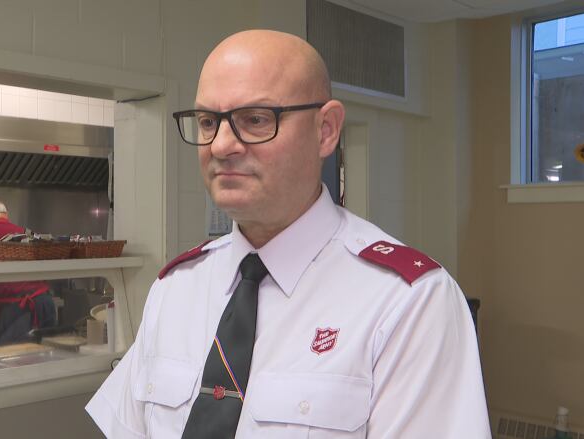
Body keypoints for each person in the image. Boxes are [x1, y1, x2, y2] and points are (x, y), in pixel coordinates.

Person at [86, 30, 491, 438]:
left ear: (326, 130)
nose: (222, 145)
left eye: (256, 119)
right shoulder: (176, 289)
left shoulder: (407, 303)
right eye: (209, 121)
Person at [0, 199, 55, 346]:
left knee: (12, 358)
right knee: (45, 353)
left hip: (18, 309)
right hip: (45, 302)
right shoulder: (27, 233)